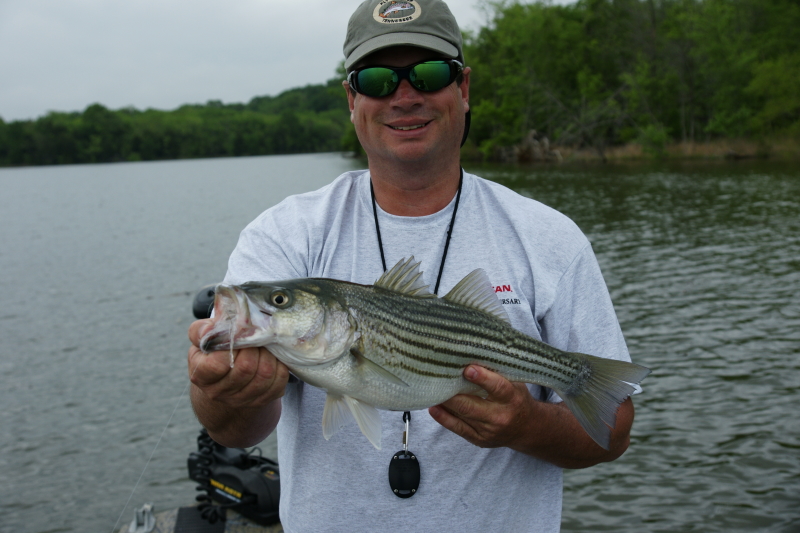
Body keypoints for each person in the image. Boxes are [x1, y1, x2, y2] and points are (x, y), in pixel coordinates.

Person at [187, 1, 642, 531]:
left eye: (428, 74)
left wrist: (525, 424)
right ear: (352, 99)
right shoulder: (287, 234)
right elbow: (235, 429)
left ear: (463, 89)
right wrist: (223, 390)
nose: (404, 97)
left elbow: (614, 431)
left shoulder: (548, 237)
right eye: (378, 80)